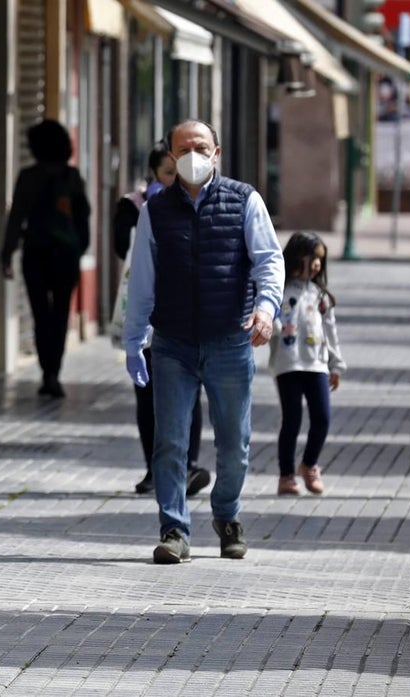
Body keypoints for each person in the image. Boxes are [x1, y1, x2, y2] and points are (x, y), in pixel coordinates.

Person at [123, 119, 284, 564]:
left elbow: (269, 261)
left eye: (201, 146)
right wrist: (134, 340)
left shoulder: (245, 200)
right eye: (183, 148)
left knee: (235, 443)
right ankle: (174, 529)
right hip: (172, 344)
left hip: (230, 341)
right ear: (170, 156)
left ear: (217, 152)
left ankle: (227, 516)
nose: (193, 154)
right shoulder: (155, 211)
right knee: (170, 443)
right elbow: (142, 281)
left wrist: (266, 310)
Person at [112, 141, 211, 498]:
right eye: (168, 173)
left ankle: (188, 465)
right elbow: (122, 248)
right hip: (147, 313)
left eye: (179, 172)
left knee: (189, 391)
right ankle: (153, 468)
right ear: (155, 172)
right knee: (147, 394)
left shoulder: (201, 203)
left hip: (185, 317)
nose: (175, 179)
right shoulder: (137, 206)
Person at [1, 120, 91, 398]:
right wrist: (79, 249)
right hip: (66, 255)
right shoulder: (72, 176)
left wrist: (6, 253)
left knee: (41, 314)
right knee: (61, 313)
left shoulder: (29, 176)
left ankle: (46, 373)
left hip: (36, 253)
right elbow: (83, 218)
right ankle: (54, 372)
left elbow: (16, 217)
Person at [269, 231, 345, 496]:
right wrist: (275, 326)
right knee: (292, 420)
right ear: (295, 257)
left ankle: (310, 464)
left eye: (320, 261)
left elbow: (331, 330)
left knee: (322, 418)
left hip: (317, 365)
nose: (316, 265)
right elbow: (270, 316)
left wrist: (336, 365)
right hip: (288, 364)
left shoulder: (320, 296)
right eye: (312, 258)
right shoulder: (278, 289)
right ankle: (286, 475)